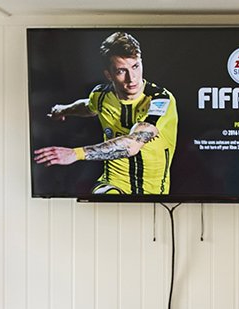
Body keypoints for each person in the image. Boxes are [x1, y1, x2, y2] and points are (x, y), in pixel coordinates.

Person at [34, 31, 178, 196]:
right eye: (121, 71)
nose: (132, 79)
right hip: (112, 184)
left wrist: (76, 154)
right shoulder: (101, 95)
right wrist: (62, 110)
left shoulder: (160, 99)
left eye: (135, 66)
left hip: (153, 193)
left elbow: (132, 145)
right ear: (109, 74)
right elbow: (89, 106)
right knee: (102, 196)